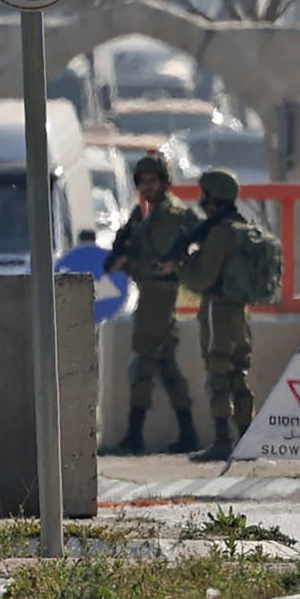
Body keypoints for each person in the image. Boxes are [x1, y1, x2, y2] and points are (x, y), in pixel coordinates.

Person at [106, 152, 202, 454]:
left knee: (143, 365)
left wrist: (128, 263)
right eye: (143, 182)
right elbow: (121, 249)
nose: (147, 187)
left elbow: (159, 262)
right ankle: (188, 433)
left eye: (153, 181)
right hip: (150, 294)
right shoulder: (143, 214)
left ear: (164, 182)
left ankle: (135, 436)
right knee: (166, 367)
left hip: (159, 294)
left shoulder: (169, 215)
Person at [164, 168, 253, 462]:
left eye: (205, 196)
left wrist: (179, 266)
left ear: (215, 199)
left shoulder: (220, 233)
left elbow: (203, 278)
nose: (202, 201)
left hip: (218, 309)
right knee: (238, 373)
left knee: (218, 372)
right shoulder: (243, 225)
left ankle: (222, 441)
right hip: (239, 310)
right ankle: (246, 437)